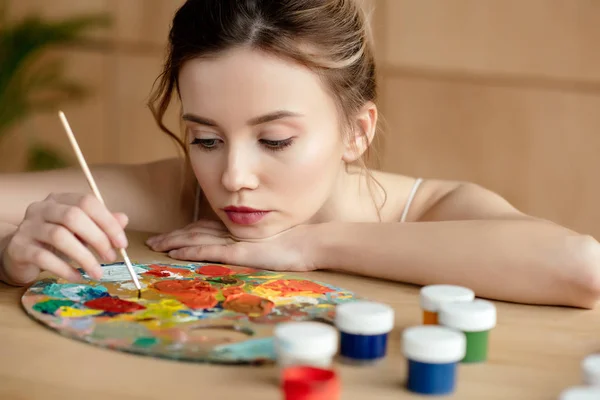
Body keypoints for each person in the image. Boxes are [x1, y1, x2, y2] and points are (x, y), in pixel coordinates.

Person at [0, 0, 599, 309]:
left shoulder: (439, 208)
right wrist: (11, 251)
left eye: (275, 140)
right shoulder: (181, 193)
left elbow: (581, 268)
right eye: (205, 139)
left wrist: (310, 244)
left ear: (357, 131)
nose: (232, 177)